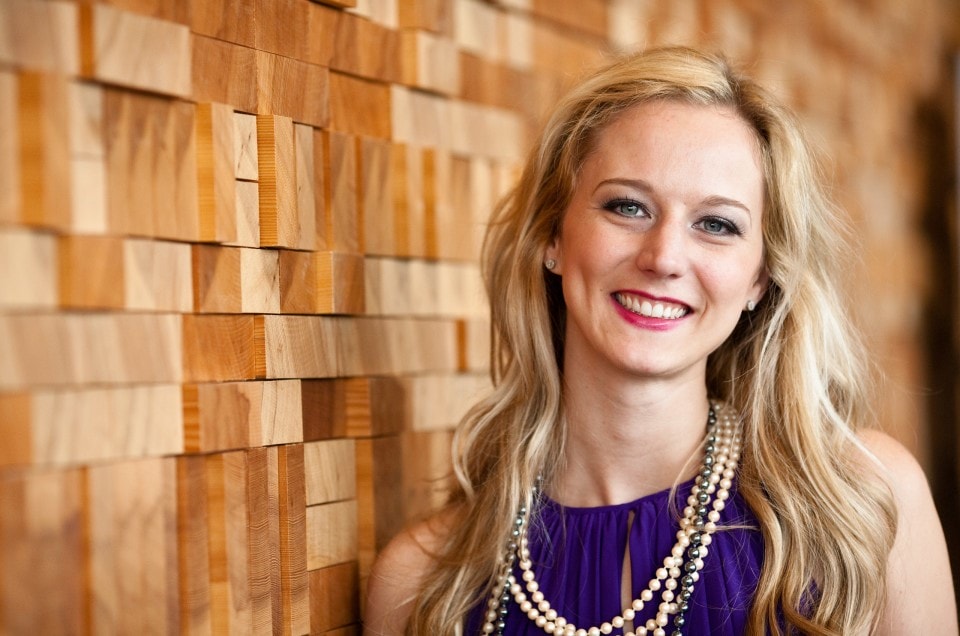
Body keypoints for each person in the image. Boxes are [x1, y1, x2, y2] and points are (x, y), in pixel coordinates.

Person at [364, 46, 957, 635]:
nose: (664, 257)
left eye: (716, 224)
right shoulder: (423, 583)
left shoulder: (864, 506)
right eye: (628, 207)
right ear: (552, 236)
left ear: (759, 278)